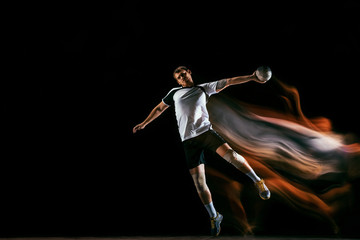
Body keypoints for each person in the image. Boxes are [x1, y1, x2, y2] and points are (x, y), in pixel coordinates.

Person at [133, 66, 270, 236]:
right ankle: (214, 216)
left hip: (205, 133)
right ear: (177, 82)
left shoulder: (204, 88)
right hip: (188, 141)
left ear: (189, 72)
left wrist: (251, 77)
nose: (182, 78)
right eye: (179, 78)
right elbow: (159, 108)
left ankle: (257, 181)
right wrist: (145, 123)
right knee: (199, 182)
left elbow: (229, 81)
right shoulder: (174, 92)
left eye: (183, 74)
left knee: (232, 157)